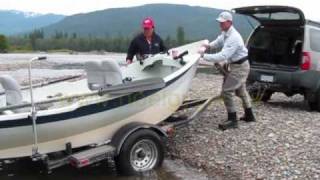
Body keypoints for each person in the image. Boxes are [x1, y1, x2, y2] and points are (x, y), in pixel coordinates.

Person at [198, 11, 256, 131]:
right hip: (238, 65)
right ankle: (249, 115)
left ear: (229, 22)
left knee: (226, 91)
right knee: (241, 91)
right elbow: (218, 42)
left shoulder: (234, 37)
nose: (220, 24)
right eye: (220, 22)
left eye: (222, 22)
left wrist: (203, 56)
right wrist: (208, 46)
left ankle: (232, 120)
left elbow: (223, 56)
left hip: (240, 67)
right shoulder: (226, 32)